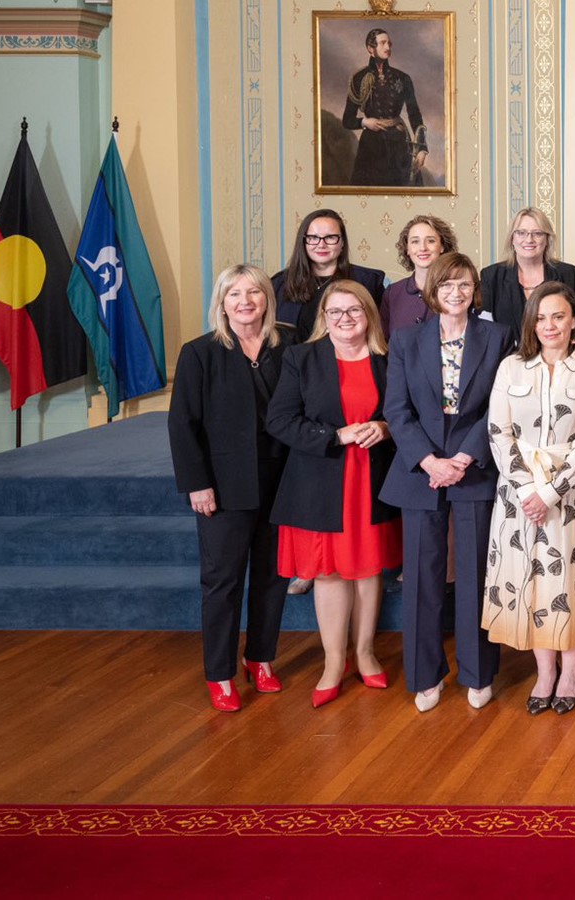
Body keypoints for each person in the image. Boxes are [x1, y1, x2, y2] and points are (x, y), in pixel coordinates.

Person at [382, 251, 513, 712]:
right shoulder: (405, 340)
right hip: (421, 471)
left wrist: (461, 456)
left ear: (474, 289)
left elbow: (500, 403)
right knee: (421, 577)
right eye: (446, 286)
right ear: (432, 292)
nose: (455, 293)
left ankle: (478, 673)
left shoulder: (497, 336)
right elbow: (396, 409)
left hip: (474, 464)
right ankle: (425, 674)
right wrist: (429, 460)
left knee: (477, 573)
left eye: (463, 285)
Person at [484, 281, 575, 715]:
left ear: (574, 320)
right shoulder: (510, 369)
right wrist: (527, 491)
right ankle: (544, 671)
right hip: (518, 496)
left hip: (572, 495)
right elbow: (498, 433)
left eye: (558, 316)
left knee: (570, 582)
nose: (549, 325)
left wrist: (549, 492)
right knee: (532, 581)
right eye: (541, 318)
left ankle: (572, 670)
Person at [267, 280, 402, 709]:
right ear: (324, 318)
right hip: (321, 480)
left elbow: (405, 413)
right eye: (336, 312)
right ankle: (332, 660)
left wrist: (384, 428)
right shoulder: (301, 358)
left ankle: (364, 654)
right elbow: (281, 421)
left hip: (373, 480)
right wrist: (336, 435)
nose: (345, 319)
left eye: (354, 311)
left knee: (367, 572)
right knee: (328, 573)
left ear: (369, 316)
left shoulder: (388, 359)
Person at [169, 265, 298, 712]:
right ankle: (220, 674)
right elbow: (182, 426)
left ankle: (260, 658)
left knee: (273, 578)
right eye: (234, 294)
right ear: (221, 304)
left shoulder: (291, 345)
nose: (245, 301)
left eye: (254, 293)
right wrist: (197, 484)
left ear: (267, 298)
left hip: (282, 482)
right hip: (223, 487)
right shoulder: (200, 353)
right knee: (222, 582)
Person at [478, 207, 575, 349]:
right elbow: (485, 329)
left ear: (547, 239)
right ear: (512, 238)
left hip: (559, 360)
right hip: (507, 361)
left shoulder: (569, 274)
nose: (529, 239)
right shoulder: (491, 276)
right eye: (521, 233)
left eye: (537, 233)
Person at [272, 210, 386, 337]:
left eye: (330, 237)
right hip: (292, 356)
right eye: (313, 238)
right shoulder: (279, 284)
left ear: (342, 242)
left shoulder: (367, 281)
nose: (321, 245)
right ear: (303, 242)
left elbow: (379, 333)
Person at [341, 28, 429, 187]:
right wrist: (364, 123)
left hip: (399, 147)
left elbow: (414, 114)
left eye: (389, 43)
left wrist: (422, 148)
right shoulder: (359, 79)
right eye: (382, 43)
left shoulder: (403, 78)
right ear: (370, 48)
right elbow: (347, 120)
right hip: (370, 149)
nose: (388, 47)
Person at [383, 215, 457, 334]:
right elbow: (383, 342)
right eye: (415, 241)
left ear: (442, 246)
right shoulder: (393, 293)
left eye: (431, 241)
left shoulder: (457, 291)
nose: (423, 248)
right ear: (407, 248)